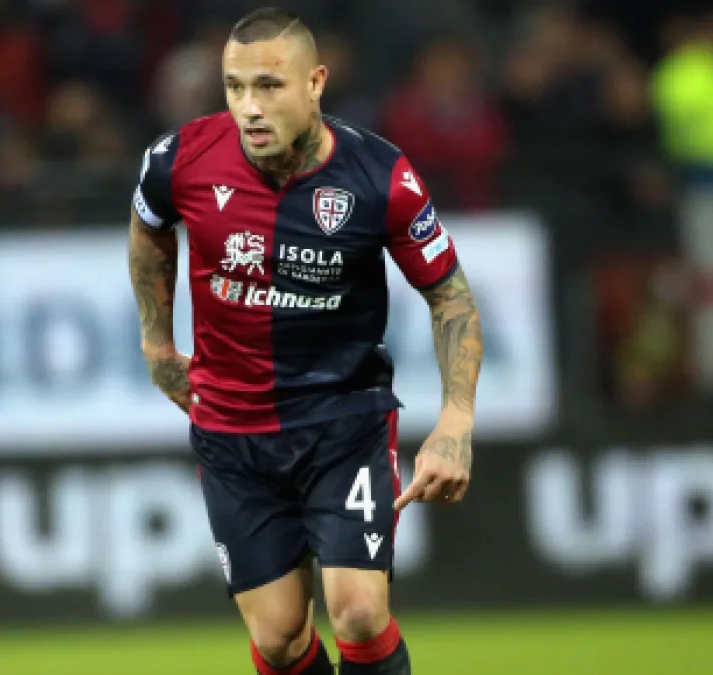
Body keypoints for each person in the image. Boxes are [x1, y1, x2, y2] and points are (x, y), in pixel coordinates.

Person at [126, 8, 482, 675]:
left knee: (358, 612)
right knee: (280, 639)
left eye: (269, 86)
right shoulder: (179, 159)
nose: (249, 107)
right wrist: (156, 342)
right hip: (232, 430)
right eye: (235, 87)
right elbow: (149, 227)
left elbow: (451, 297)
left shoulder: (379, 175)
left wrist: (456, 420)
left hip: (342, 420)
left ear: (315, 83)